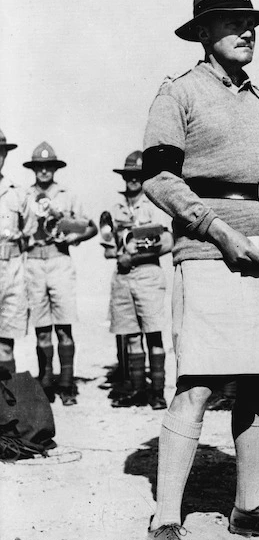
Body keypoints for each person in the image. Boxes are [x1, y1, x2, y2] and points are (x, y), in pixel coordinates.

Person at [141, 0, 259, 540]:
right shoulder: (179, 93)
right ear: (203, 32)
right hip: (213, 255)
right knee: (199, 385)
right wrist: (218, 231)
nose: (246, 31)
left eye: (250, 22)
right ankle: (165, 523)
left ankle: (249, 506)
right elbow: (159, 176)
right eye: (232, 22)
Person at [24, 142, 97, 406]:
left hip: (59, 260)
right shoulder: (25, 195)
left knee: (63, 326)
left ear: (55, 169)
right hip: (33, 261)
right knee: (41, 328)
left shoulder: (67, 195)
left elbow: (91, 227)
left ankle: (66, 383)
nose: (44, 171)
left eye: (48, 166)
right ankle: (46, 382)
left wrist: (74, 236)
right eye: (39, 167)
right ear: (34, 169)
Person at [100, 150, 173, 410]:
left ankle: (157, 392)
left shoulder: (154, 205)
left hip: (148, 274)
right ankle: (137, 389)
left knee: (153, 333)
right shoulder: (115, 208)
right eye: (129, 175)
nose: (132, 180)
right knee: (130, 336)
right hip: (122, 276)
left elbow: (167, 241)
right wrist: (119, 253)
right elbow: (107, 246)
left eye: (137, 176)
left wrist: (138, 255)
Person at [0, 129, 37, 375]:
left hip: (11, 267)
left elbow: (30, 230)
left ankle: (5, 407)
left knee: (5, 342)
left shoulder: (17, 192)